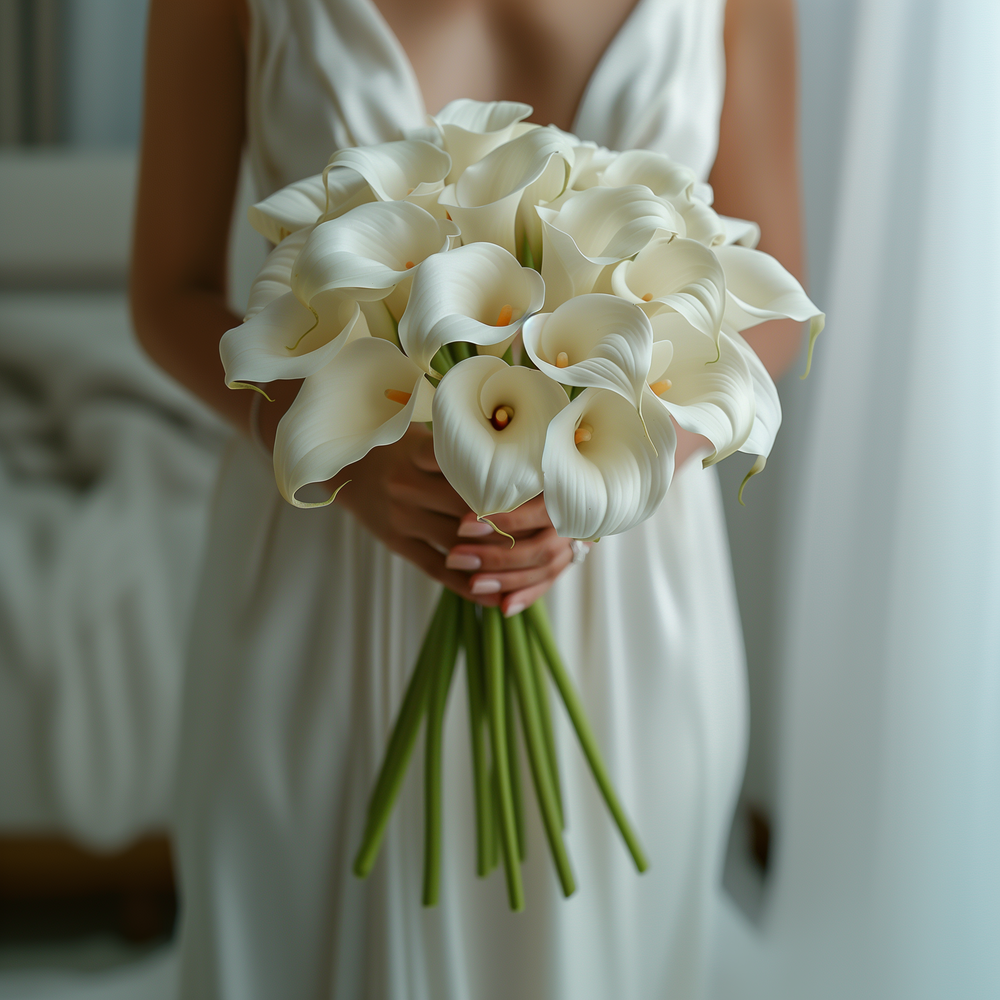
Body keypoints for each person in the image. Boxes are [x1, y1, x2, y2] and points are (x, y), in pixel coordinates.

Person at [131, 0, 805, 996]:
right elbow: (166, 292)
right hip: (323, 580)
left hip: (625, 608)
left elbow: (772, 302)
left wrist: (618, 474)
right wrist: (339, 457)